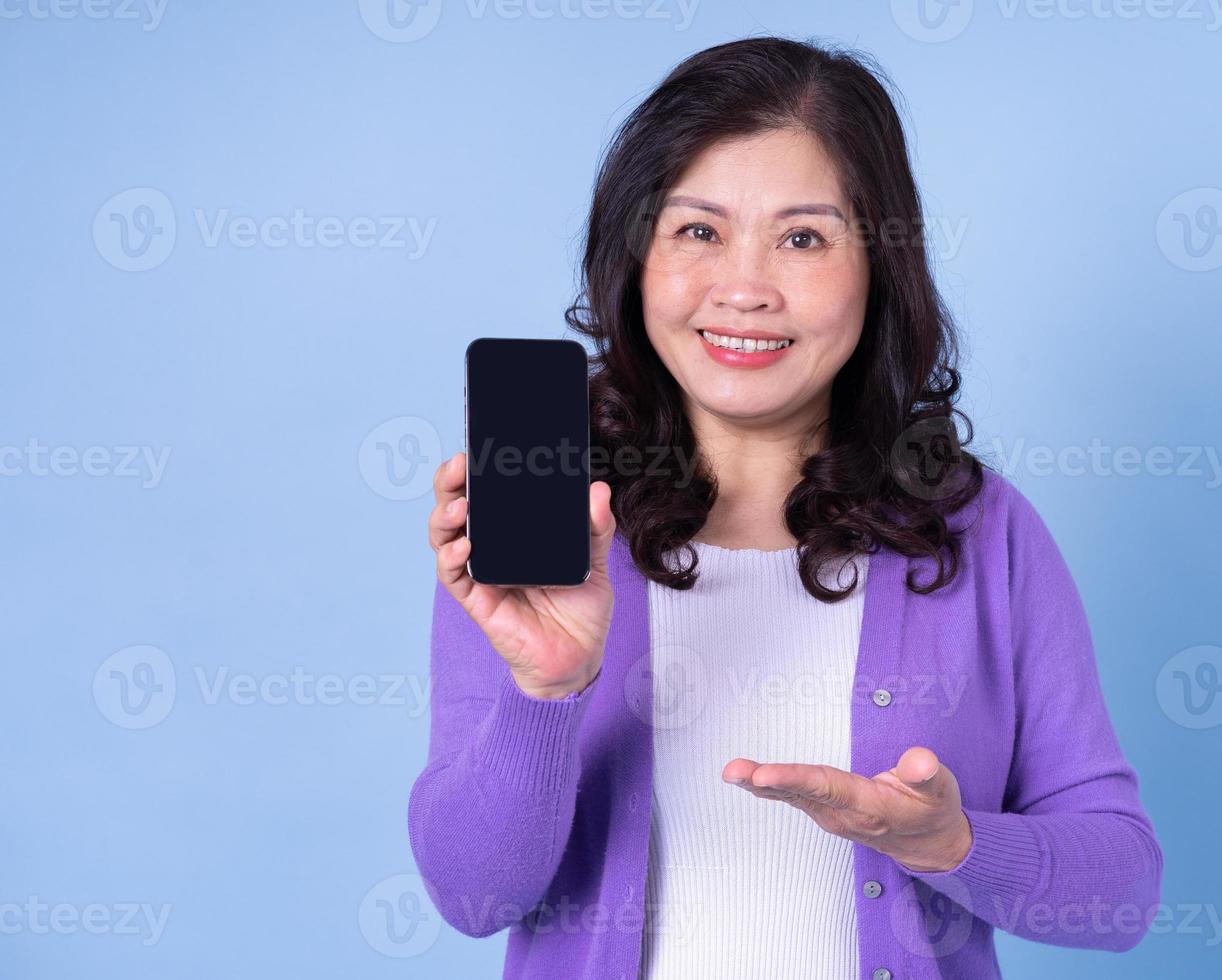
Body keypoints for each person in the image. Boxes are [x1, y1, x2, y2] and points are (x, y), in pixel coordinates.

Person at [413, 35, 1161, 980]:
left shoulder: (979, 530)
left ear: (878, 266)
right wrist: (546, 693)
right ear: (634, 254)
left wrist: (951, 845)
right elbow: (472, 893)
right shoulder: (547, 517)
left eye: (803, 237)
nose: (744, 289)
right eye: (697, 230)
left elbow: (1123, 892)